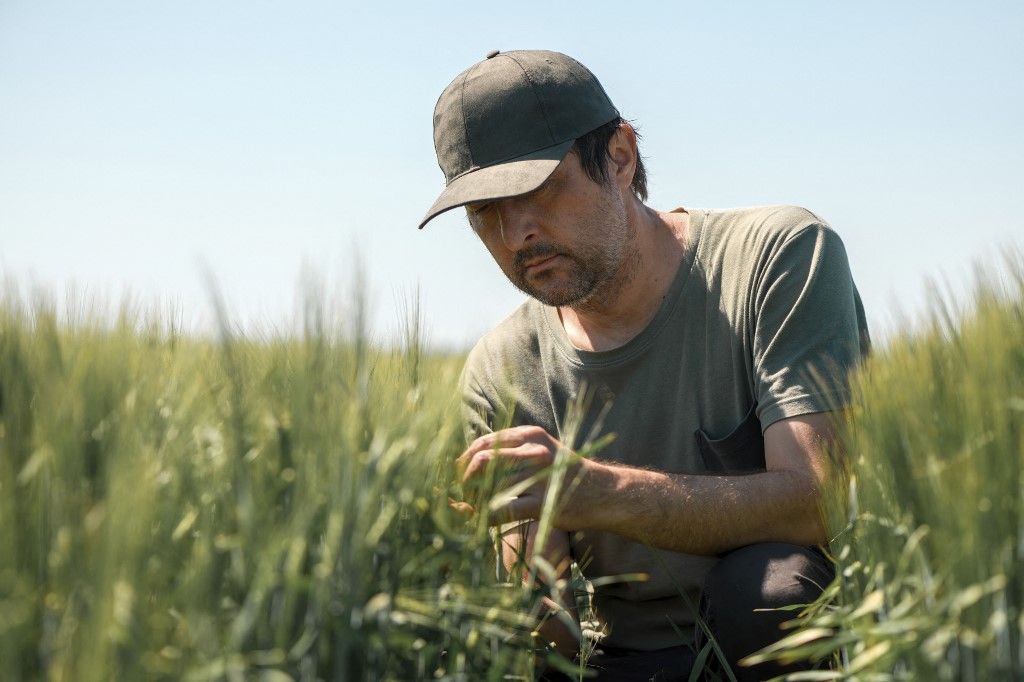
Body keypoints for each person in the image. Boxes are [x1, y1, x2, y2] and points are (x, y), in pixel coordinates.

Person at [419, 50, 869, 681]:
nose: (515, 231)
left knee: (770, 590)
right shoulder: (502, 369)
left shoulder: (779, 257)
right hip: (617, 661)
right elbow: (544, 630)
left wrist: (592, 491)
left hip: (768, 643)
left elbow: (818, 502)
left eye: (535, 188)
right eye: (484, 211)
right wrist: (484, 583)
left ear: (620, 156)